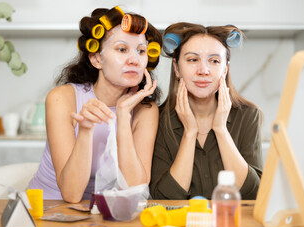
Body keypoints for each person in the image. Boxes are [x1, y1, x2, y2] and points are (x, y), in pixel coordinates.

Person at [29, 6, 162, 203]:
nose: (134, 59)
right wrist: (85, 128)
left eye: (141, 51)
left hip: (108, 210)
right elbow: (71, 194)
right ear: (96, 58)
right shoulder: (62, 99)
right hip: (50, 206)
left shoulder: (145, 110)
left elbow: (136, 189)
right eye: (122, 49)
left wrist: (123, 116)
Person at [149, 23, 262, 200]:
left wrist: (221, 130)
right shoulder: (158, 119)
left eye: (214, 61)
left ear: (225, 69)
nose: (204, 70)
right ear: (177, 68)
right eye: (193, 60)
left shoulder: (247, 116)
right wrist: (190, 132)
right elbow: (163, 197)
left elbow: (253, 194)